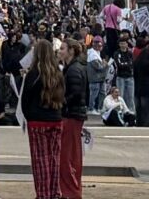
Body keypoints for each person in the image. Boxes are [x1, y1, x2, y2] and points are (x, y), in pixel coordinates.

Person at [22, 38, 65, 199]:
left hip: (37, 120)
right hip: (55, 118)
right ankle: (54, 192)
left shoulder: (33, 74)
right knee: (55, 158)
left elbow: (25, 101)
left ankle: (43, 193)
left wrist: (29, 117)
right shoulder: (58, 73)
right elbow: (63, 96)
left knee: (41, 160)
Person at [58, 39, 87, 199]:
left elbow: (75, 94)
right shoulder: (73, 68)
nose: (60, 51)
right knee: (70, 155)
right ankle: (70, 189)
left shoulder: (73, 70)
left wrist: (62, 103)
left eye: (62, 48)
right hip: (74, 114)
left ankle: (70, 190)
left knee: (67, 156)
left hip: (71, 115)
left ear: (70, 51)